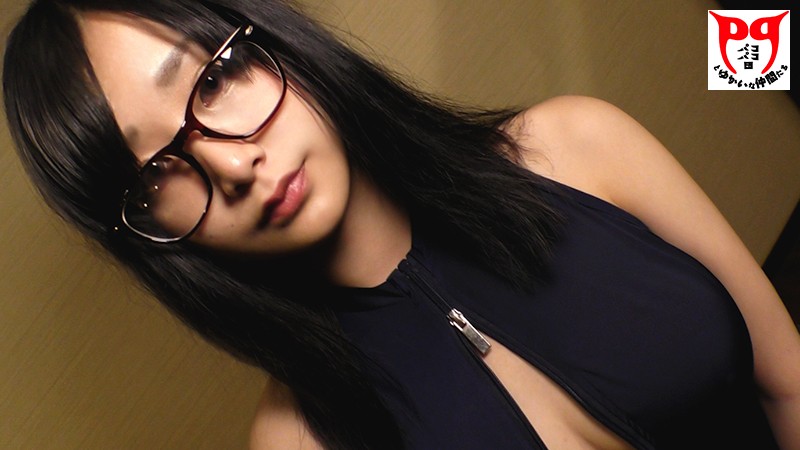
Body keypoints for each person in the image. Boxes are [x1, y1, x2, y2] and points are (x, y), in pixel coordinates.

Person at [3, 0, 799, 448]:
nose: (232, 163)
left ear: (272, 42)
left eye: (214, 78)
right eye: (158, 171)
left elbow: (788, 380)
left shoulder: (577, 145)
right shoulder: (297, 441)